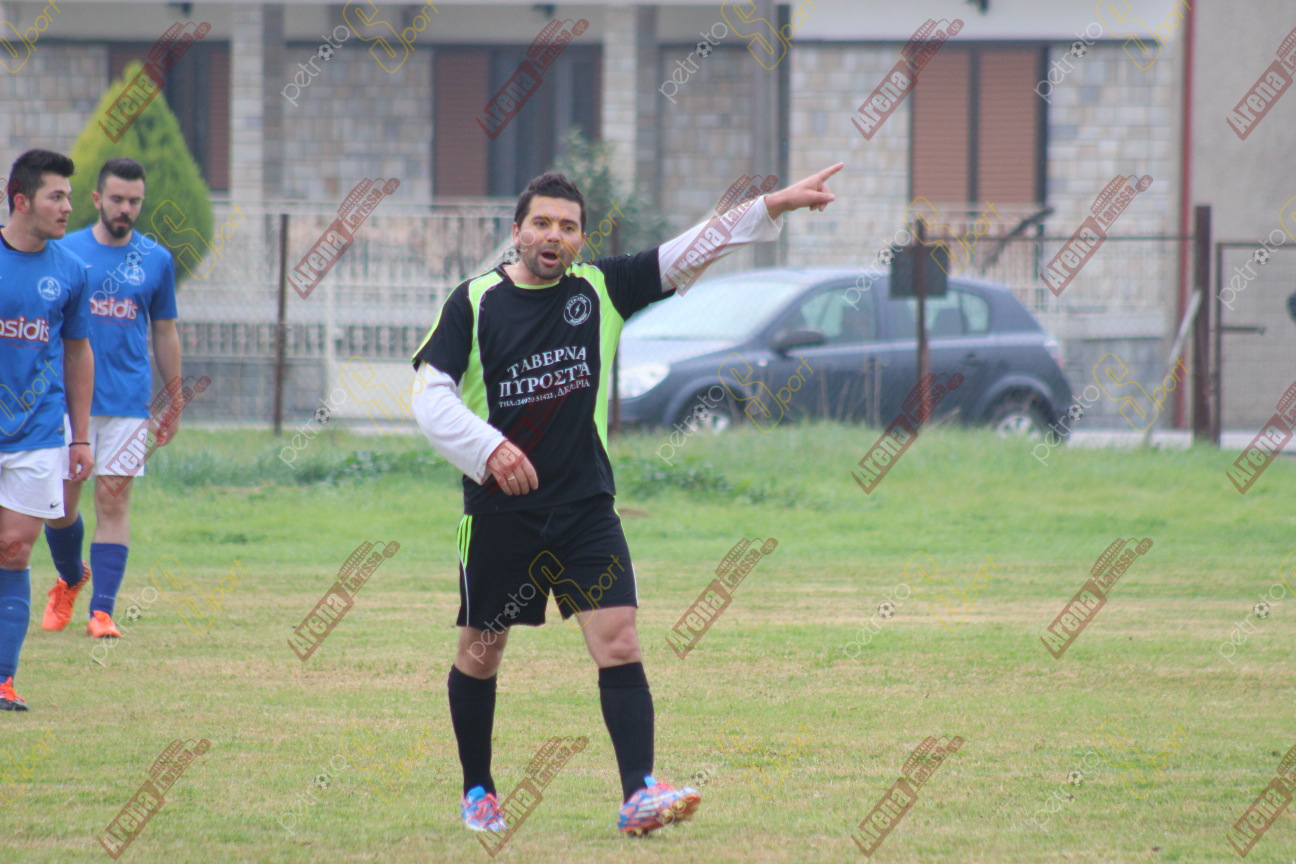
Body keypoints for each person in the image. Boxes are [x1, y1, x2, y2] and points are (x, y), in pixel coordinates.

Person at [410, 163, 842, 835]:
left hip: (586, 509)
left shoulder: (601, 289)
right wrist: (487, 449)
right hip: (500, 513)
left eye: (568, 226)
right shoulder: (474, 302)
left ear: (581, 238)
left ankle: (639, 793)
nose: (554, 236)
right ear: (517, 232)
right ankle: (478, 791)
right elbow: (428, 397)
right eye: (541, 223)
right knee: (480, 652)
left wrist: (773, 206)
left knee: (620, 640)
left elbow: (691, 248)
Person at [40, 157, 180, 639]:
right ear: (98, 199)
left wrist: (173, 397)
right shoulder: (64, 252)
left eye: (135, 201)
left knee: (114, 504)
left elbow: (165, 330)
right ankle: (70, 576)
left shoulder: (156, 260)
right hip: (64, 403)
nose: (126, 209)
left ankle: (102, 613)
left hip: (127, 402)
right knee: (60, 507)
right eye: (117, 199)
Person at [0, 148, 95, 710]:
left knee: (14, 549)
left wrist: (79, 436)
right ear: (21, 200)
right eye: (56, 196)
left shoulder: (71, 272)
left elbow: (78, 353)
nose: (67, 207)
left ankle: (2, 679)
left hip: (37, 431)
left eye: (68, 196)